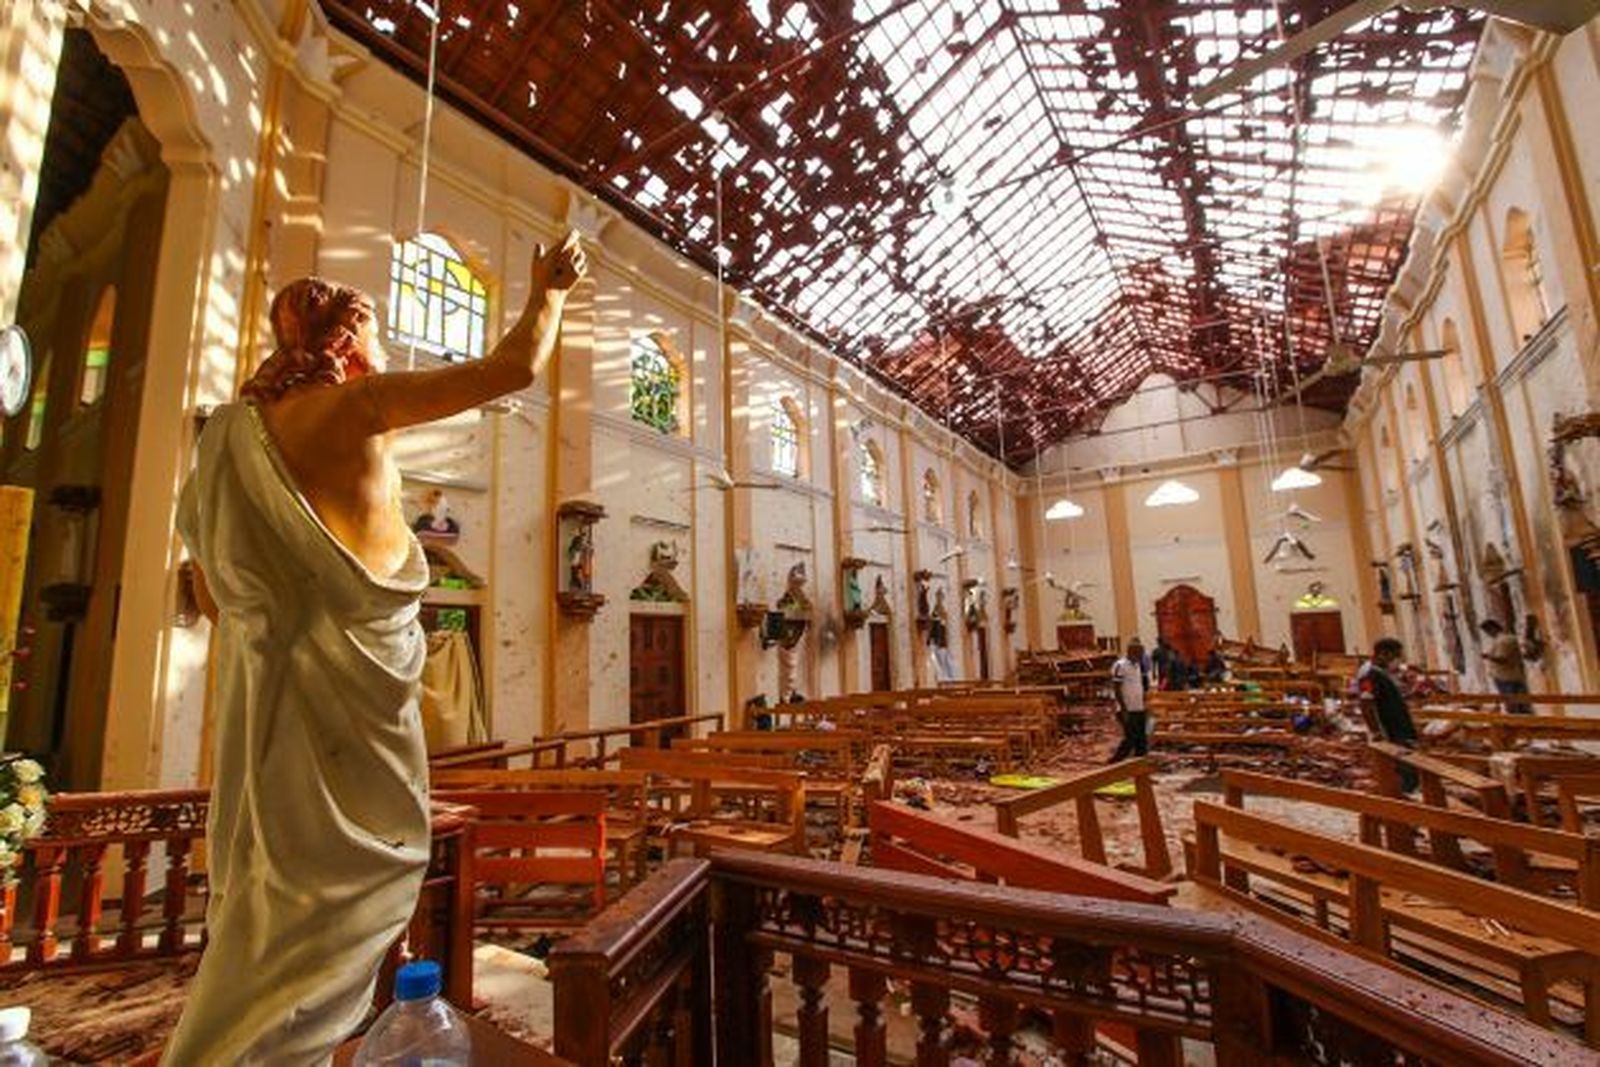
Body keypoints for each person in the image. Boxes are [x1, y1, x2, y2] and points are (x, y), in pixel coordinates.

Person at [165, 233, 587, 1064]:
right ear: (347, 343)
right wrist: (552, 291)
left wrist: (283, 630)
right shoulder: (355, 407)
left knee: (273, 889)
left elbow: (213, 586)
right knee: (355, 881)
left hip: (275, 701)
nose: (387, 350)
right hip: (355, 698)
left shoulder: (226, 439)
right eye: (379, 336)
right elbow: (510, 370)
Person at [1359, 638, 1418, 791]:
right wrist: (1376, 732)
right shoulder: (1369, 673)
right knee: (1403, 767)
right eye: (1395, 656)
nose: (1397, 660)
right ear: (1383, 654)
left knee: (1409, 766)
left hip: (1398, 728)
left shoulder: (1380, 672)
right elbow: (1366, 703)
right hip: (1390, 730)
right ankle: (1405, 801)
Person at [1109, 639, 1150, 762]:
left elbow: (1139, 686)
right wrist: (1123, 709)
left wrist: (1144, 704)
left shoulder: (1137, 665)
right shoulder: (1120, 665)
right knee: (1130, 737)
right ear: (1132, 652)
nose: (1141, 656)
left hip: (1139, 708)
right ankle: (1115, 762)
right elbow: (1116, 688)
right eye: (1139, 653)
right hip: (1127, 709)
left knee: (1141, 739)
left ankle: (1140, 767)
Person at [1480, 619, 1531, 714]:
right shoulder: (1503, 640)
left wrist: (1488, 657)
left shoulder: (1504, 641)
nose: (1488, 634)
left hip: (1508, 678)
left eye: (1488, 631)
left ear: (1493, 629)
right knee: (1516, 704)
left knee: (1515, 706)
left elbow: (1503, 659)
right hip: (1508, 677)